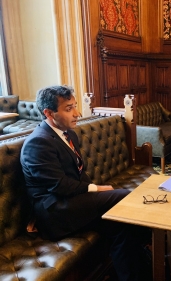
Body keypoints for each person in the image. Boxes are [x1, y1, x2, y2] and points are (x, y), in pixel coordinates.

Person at [20, 85, 151, 281]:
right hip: (56, 211)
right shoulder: (37, 143)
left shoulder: (69, 134)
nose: (77, 113)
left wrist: (95, 193)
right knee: (124, 196)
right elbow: (60, 185)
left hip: (73, 202)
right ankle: (152, 241)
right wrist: (97, 190)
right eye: (68, 108)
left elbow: (79, 173)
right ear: (48, 113)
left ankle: (141, 274)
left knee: (121, 226)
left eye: (75, 106)